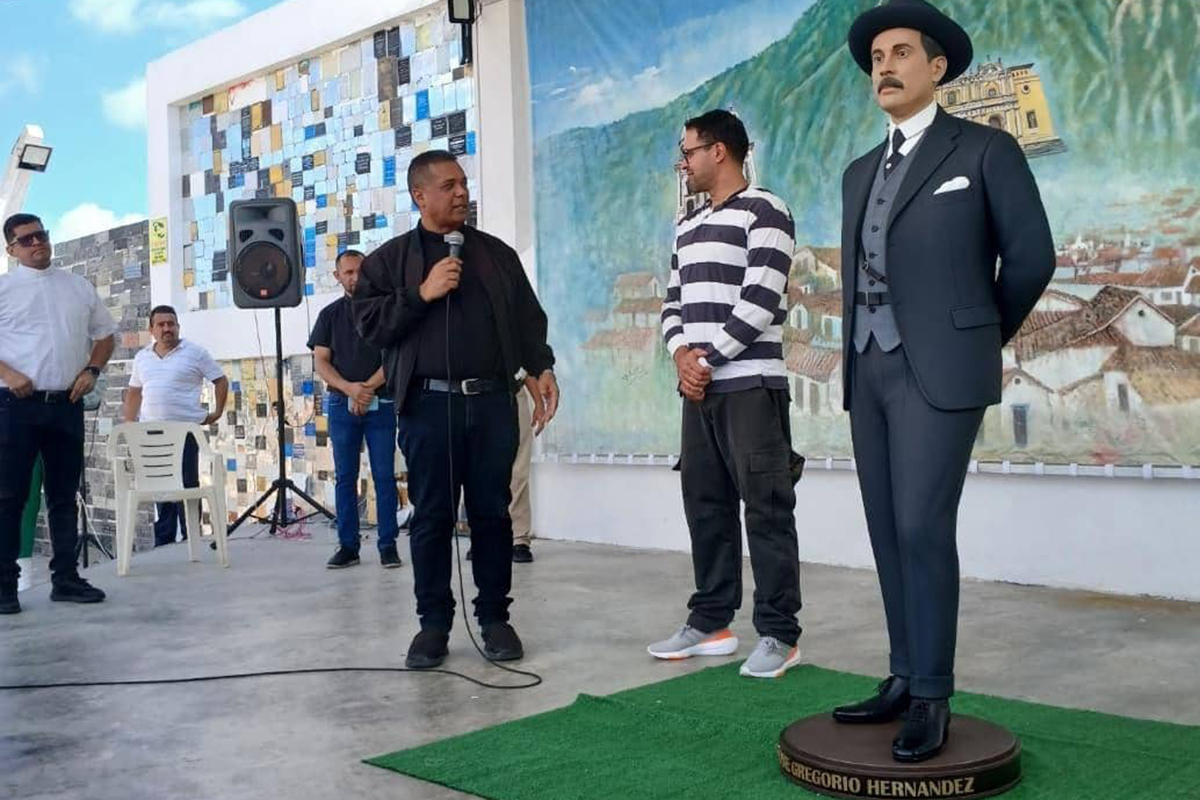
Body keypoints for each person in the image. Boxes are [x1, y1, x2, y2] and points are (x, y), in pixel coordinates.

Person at [831, 0, 1055, 762]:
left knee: (924, 525)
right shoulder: (858, 171)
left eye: (899, 53)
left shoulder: (986, 151)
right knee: (887, 530)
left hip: (941, 371)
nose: (883, 66)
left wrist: (977, 333)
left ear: (937, 68)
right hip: (869, 367)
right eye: (875, 58)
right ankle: (902, 674)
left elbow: (1031, 259)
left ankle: (933, 691)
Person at [353, 150, 558, 669]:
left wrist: (541, 368)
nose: (461, 194)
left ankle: (494, 617)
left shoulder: (496, 255)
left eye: (463, 184)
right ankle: (434, 625)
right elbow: (370, 326)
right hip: (427, 406)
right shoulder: (388, 262)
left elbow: (529, 320)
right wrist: (421, 294)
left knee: (492, 514)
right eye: (448, 186)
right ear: (419, 196)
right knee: (432, 518)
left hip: (492, 402)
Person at [650, 109, 803, 680]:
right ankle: (712, 621)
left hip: (752, 389)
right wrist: (680, 356)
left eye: (687, 153)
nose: (682, 165)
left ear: (719, 151)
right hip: (701, 392)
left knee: (767, 509)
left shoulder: (767, 210)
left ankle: (779, 634)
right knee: (706, 507)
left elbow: (760, 300)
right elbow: (673, 303)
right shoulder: (685, 226)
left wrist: (705, 360)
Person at [0, 213, 116, 614]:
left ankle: (65, 578)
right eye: (26, 239)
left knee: (64, 495)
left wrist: (92, 369)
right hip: (15, 407)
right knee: (9, 495)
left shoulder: (76, 286)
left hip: (66, 404)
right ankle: (4, 585)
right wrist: (8, 372)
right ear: (11, 249)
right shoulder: (4, 289)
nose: (37, 243)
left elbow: (105, 336)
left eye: (41, 235)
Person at [307, 249, 402, 569]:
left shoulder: (386, 310)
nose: (354, 277)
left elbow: (395, 356)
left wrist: (368, 388)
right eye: (347, 272)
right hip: (340, 403)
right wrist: (350, 390)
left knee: (384, 476)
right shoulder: (330, 315)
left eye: (360, 270)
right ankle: (348, 546)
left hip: (382, 403)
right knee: (345, 477)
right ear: (337, 276)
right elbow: (321, 360)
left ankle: (388, 544)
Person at [123, 305, 228, 547]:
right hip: (151, 435)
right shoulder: (142, 357)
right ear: (151, 329)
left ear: (178, 326)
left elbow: (220, 380)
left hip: (185, 433)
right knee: (160, 487)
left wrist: (217, 412)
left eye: (171, 324)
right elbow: (134, 393)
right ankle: (165, 541)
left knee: (188, 484)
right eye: (161, 324)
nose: (167, 329)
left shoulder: (195, 353)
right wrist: (129, 427)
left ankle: (192, 539)